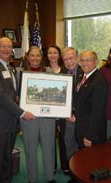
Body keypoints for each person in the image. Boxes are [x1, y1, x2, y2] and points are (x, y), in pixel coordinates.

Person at [0, 37, 35, 183]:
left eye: (9, 47)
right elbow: (1, 97)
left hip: (10, 124)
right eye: (3, 46)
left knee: (7, 160)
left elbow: (13, 94)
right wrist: (23, 113)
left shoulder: (11, 68)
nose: (6, 49)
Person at [20, 46, 57, 183]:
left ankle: (50, 176)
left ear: (42, 57)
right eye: (32, 55)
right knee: (30, 148)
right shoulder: (20, 73)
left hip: (47, 116)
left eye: (38, 56)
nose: (35, 58)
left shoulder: (49, 72)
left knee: (49, 147)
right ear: (28, 57)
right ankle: (32, 179)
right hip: (28, 117)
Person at [58, 47, 83, 183]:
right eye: (65, 59)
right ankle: (74, 174)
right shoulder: (61, 73)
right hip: (66, 119)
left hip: (81, 119)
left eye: (71, 58)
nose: (68, 62)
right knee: (69, 146)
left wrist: (77, 115)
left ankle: (82, 173)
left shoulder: (84, 72)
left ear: (77, 57)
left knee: (81, 148)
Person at [75, 50, 108, 148]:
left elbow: (97, 112)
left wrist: (90, 136)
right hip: (82, 127)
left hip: (91, 134)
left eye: (88, 60)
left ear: (96, 62)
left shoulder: (99, 82)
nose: (84, 63)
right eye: (82, 60)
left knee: (92, 162)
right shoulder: (82, 76)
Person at [45, 45, 66, 174]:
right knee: (49, 141)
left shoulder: (65, 70)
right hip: (48, 113)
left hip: (61, 112)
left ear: (59, 55)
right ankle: (51, 166)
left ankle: (65, 166)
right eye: (49, 53)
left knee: (63, 140)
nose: (52, 55)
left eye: (55, 53)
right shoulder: (44, 70)